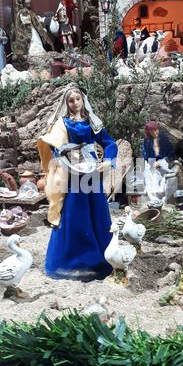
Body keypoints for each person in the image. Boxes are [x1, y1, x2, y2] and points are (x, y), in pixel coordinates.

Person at [38, 87, 118, 281]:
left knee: (96, 210)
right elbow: (53, 144)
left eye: (77, 99)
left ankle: (99, 257)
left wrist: (108, 160)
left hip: (90, 169)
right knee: (74, 211)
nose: (75, 103)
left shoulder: (92, 122)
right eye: (71, 100)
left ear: (83, 100)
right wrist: (62, 156)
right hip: (72, 169)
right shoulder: (62, 123)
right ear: (67, 104)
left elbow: (109, 143)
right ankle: (71, 259)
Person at [142, 121, 178, 203]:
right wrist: (152, 162)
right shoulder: (146, 141)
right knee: (150, 175)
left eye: (156, 129)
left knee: (161, 176)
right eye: (152, 131)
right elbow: (146, 154)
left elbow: (170, 150)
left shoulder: (163, 138)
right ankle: (154, 199)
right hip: (151, 161)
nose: (155, 132)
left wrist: (173, 160)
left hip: (163, 160)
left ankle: (162, 197)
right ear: (149, 132)